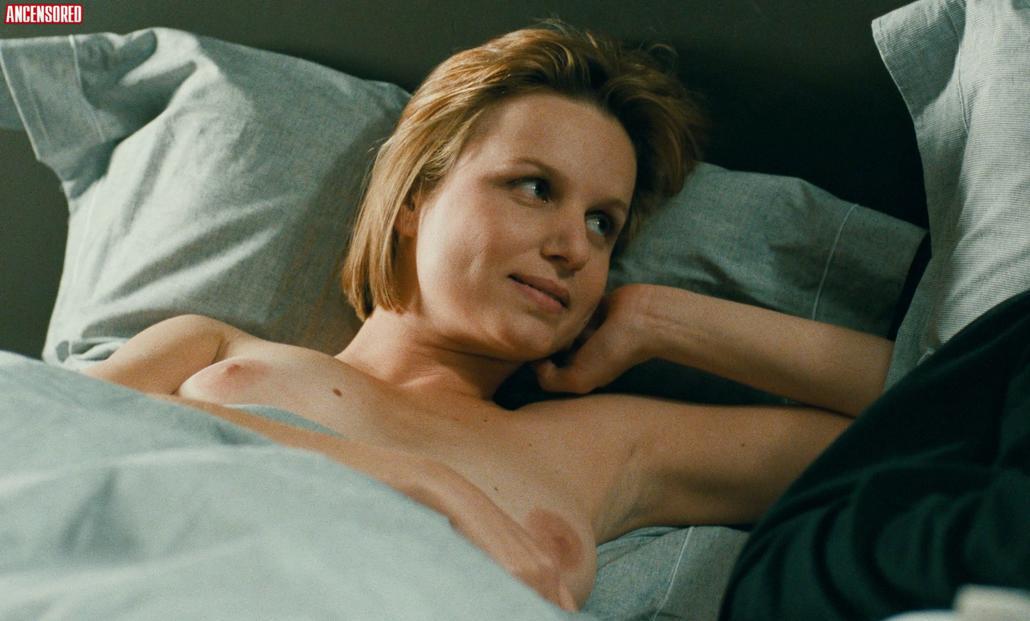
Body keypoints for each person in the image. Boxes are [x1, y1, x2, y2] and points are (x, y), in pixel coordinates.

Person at [82, 22, 886, 611]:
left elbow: (927, 416)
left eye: (603, 224)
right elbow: (48, 430)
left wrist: (659, 318)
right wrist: (426, 484)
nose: (573, 246)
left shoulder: (604, 447)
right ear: (414, 198)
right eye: (535, 187)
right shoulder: (206, 344)